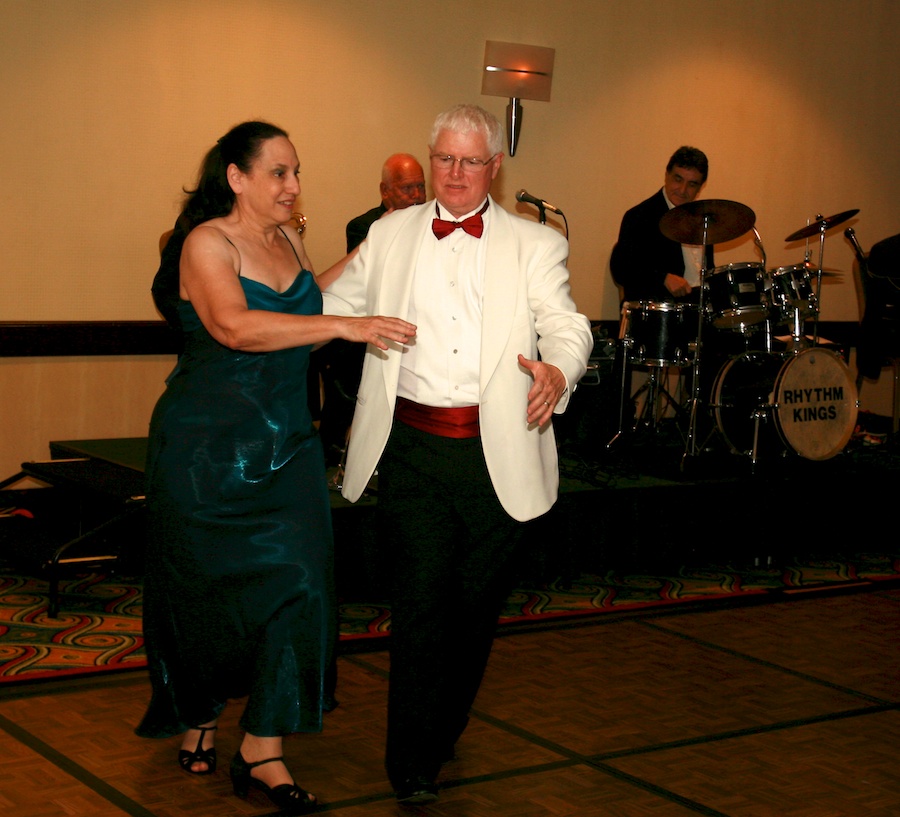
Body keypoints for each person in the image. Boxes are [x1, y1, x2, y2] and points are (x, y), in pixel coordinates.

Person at [136, 120, 415, 814]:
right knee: (205, 594)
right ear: (236, 177)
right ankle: (198, 708)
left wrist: (375, 246)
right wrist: (347, 327)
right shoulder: (206, 243)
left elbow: (303, 302)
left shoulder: (287, 238)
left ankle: (263, 746)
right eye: (279, 173)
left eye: (296, 172)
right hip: (207, 452)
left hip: (286, 446)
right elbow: (235, 325)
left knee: (301, 584)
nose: (294, 186)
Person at [322, 103, 593, 804]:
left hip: (494, 456)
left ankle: (442, 728)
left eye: (472, 161)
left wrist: (559, 370)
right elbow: (327, 303)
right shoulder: (389, 233)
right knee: (418, 609)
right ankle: (409, 761)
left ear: (495, 167)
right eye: (445, 159)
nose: (457, 174)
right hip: (410, 448)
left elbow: (566, 323)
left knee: (473, 615)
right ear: (430, 158)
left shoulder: (534, 245)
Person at [316, 154, 427, 465]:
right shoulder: (364, 227)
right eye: (408, 188)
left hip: (415, 329)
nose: (417, 196)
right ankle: (333, 454)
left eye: (421, 187)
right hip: (366, 328)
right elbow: (360, 288)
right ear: (385, 191)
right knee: (347, 373)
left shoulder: (435, 223)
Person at [610, 145, 711, 303]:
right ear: (667, 175)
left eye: (692, 184)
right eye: (678, 179)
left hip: (699, 310)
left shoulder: (704, 220)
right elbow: (622, 269)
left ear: (700, 187)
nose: (683, 190)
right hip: (658, 314)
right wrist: (663, 278)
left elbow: (709, 271)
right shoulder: (639, 216)